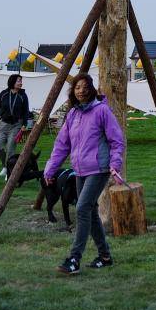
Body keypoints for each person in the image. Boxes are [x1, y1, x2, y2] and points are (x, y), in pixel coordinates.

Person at [43, 74, 125, 275]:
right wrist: (50, 169)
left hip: (99, 169)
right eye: (77, 87)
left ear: (91, 89)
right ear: (73, 91)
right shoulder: (73, 114)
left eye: (84, 87)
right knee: (90, 211)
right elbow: (62, 145)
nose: (81, 91)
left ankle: (74, 259)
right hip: (79, 170)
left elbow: (117, 140)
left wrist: (115, 164)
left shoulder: (102, 111)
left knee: (81, 208)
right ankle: (105, 257)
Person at [0, 74, 29, 179]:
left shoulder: (23, 95)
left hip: (16, 125)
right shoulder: (4, 93)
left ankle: (8, 172)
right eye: (19, 81)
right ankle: (5, 165)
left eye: (21, 81)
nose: (21, 83)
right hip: (3, 124)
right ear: (12, 82)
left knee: (10, 149)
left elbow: (26, 111)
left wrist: (24, 124)